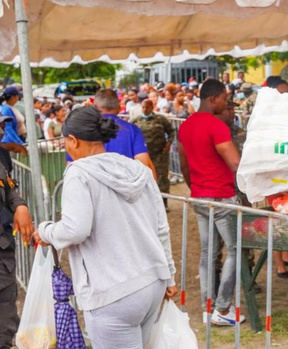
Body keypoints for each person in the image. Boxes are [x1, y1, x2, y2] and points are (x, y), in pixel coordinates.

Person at [34, 106, 177, 348]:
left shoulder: (78, 173)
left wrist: (46, 230)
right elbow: (160, 226)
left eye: (66, 143)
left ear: (73, 140)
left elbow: (75, 229)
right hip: (152, 281)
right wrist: (169, 275)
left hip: (112, 291)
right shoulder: (138, 170)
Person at [177, 79, 246, 326]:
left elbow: (184, 164)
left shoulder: (186, 125)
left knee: (208, 253)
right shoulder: (216, 126)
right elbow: (236, 163)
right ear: (213, 99)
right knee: (235, 251)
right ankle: (222, 308)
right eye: (225, 99)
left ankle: (209, 308)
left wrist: (194, 187)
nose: (227, 102)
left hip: (200, 196)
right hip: (221, 197)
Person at [66, 89, 157, 179]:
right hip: (126, 187)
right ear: (119, 108)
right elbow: (145, 166)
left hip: (92, 188)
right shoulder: (133, 130)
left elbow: (71, 167)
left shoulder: (81, 130)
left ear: (95, 107)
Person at [0, 114, 33, 348]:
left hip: (2, 251)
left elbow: (9, 186)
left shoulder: (1, 155)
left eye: (2, 125)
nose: (2, 130)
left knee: (5, 319)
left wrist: (20, 205)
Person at [131, 100, 175, 209]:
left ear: (152, 107)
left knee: (161, 178)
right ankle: (146, 204)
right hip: (143, 155)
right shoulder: (136, 120)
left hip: (160, 155)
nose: (145, 110)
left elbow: (171, 131)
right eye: (143, 107)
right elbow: (129, 134)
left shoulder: (160, 119)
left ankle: (163, 204)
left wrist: (169, 143)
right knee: (142, 177)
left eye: (147, 107)